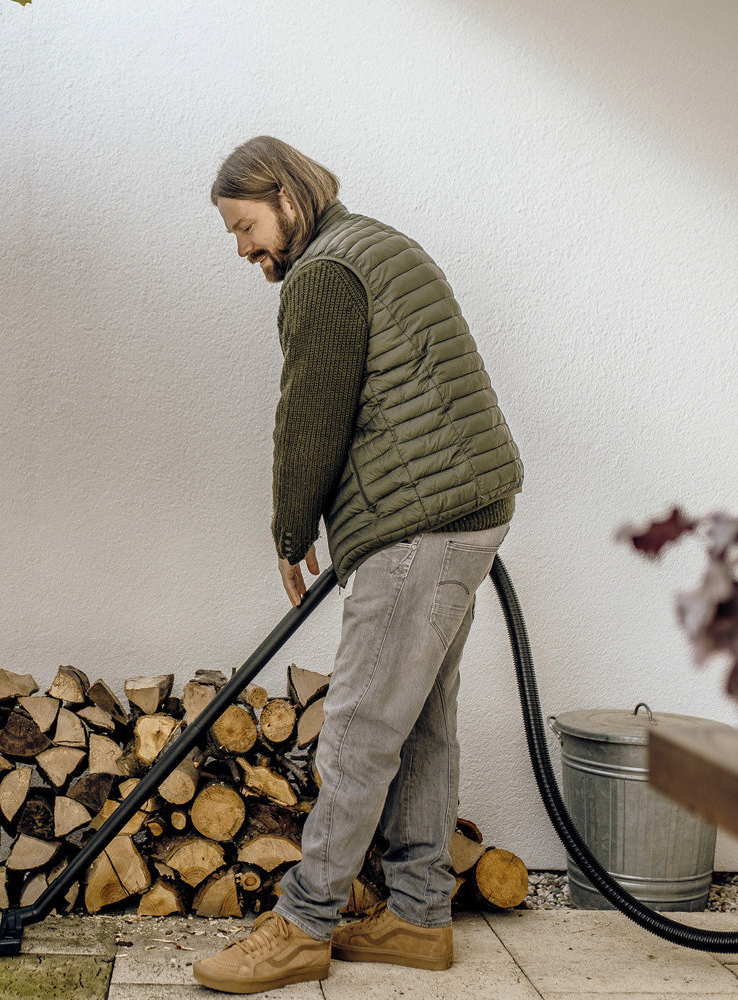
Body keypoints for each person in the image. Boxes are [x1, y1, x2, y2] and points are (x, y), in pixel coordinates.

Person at [193, 136, 523, 995]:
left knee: (360, 728)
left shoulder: (326, 274)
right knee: (418, 724)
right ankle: (417, 915)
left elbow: (311, 413)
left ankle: (302, 926)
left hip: (419, 523)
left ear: (283, 193)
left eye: (245, 225)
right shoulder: (376, 243)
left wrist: (288, 528)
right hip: (463, 511)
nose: (243, 249)